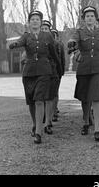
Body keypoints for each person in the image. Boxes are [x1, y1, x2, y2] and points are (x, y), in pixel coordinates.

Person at [9, 10, 61, 144]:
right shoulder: (26, 36)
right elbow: (19, 42)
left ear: (41, 21)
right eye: (32, 19)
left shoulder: (47, 36)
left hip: (44, 71)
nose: (35, 21)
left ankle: (38, 132)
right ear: (29, 22)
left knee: (39, 100)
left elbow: (53, 53)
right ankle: (35, 123)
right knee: (31, 101)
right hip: (29, 72)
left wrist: (58, 68)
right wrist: (14, 44)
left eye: (37, 19)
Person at [67, 6, 99, 142]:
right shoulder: (79, 32)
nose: (90, 18)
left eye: (92, 16)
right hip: (84, 68)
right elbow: (72, 41)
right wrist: (73, 48)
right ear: (83, 19)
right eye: (87, 16)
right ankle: (86, 121)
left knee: (97, 97)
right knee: (85, 98)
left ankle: (97, 129)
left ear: (95, 18)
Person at [51, 29, 66, 121]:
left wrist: (61, 70)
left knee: (55, 92)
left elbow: (62, 58)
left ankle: (54, 109)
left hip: (57, 71)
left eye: (55, 34)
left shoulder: (60, 44)